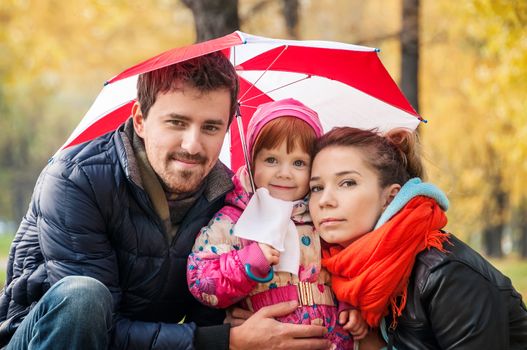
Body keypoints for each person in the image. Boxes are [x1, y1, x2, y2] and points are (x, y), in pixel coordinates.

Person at [0, 53, 331, 350]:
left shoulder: (227, 198)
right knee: (85, 297)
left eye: (211, 127)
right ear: (141, 120)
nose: (192, 145)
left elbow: (209, 319)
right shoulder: (77, 180)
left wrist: (241, 320)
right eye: (177, 122)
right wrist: (225, 340)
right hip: (48, 337)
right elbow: (97, 328)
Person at [308, 126, 527, 349]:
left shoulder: (445, 274)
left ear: (389, 197)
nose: (325, 200)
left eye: (347, 183)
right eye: (316, 187)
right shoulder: (330, 274)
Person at [187, 99, 368, 349]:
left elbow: (345, 264)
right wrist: (247, 262)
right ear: (252, 163)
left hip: (329, 340)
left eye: (298, 163)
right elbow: (201, 279)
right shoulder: (234, 220)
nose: (284, 173)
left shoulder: (321, 217)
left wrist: (350, 304)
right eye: (271, 160)